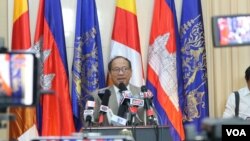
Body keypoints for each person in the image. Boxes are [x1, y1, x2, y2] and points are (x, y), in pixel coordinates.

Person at [92, 56, 145, 126]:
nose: (120, 73)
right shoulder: (98, 95)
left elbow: (150, 122)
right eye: (116, 69)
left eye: (125, 69)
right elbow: (92, 124)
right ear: (110, 74)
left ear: (131, 72)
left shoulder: (142, 94)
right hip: (110, 136)